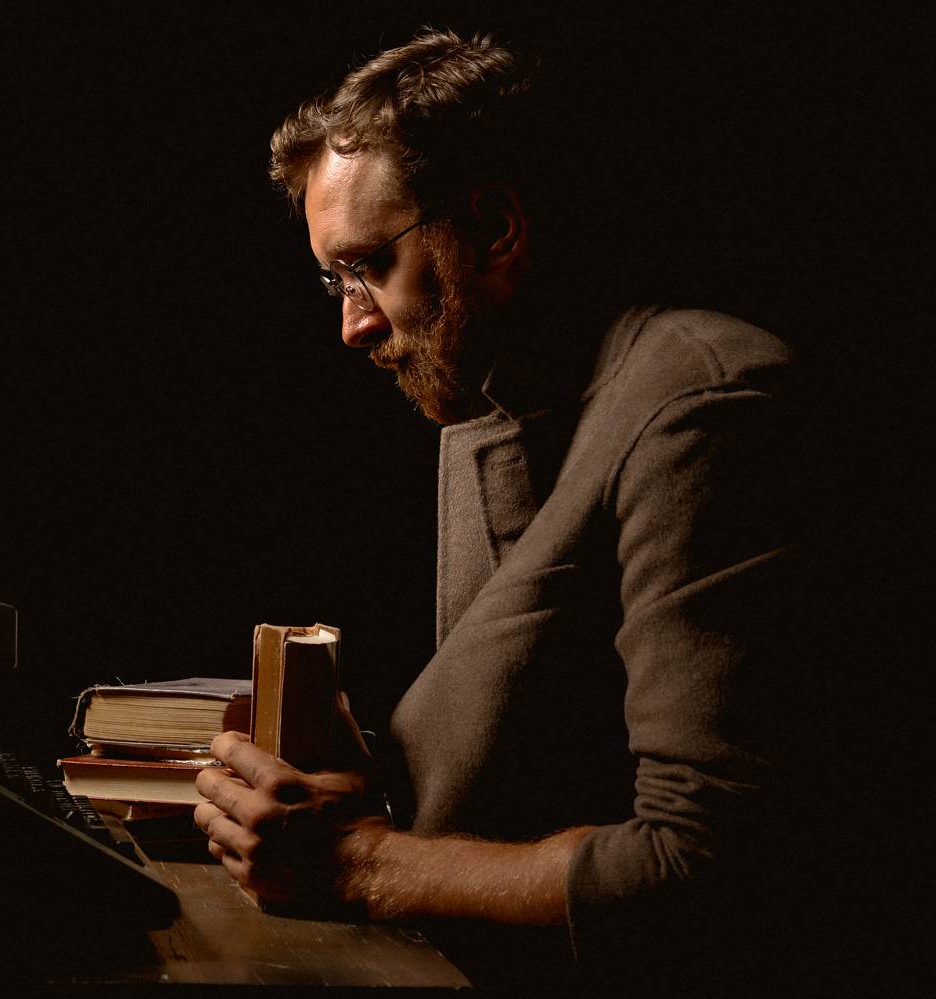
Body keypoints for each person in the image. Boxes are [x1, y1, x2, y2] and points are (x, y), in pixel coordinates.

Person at [194, 28, 821, 992]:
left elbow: (703, 864)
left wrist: (361, 860)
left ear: (493, 231)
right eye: (334, 280)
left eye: (368, 266)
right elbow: (534, 787)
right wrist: (356, 797)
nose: (353, 323)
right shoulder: (505, 404)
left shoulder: (704, 407)